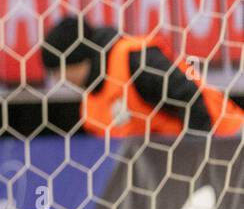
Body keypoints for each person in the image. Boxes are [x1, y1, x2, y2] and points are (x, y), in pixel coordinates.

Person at [41, 16, 244, 137]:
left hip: (225, 136)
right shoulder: (91, 107)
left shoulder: (134, 59)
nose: (62, 80)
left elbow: (191, 98)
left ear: (75, 60)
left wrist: (194, 157)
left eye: (60, 72)